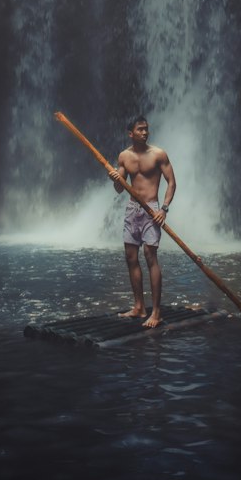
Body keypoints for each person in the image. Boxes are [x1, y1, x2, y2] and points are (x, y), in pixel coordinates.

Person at [108, 115, 176, 328]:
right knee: (130, 257)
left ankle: (156, 312)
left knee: (150, 256)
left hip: (152, 209)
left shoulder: (158, 154)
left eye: (146, 129)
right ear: (131, 133)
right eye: (140, 129)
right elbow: (120, 189)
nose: (145, 132)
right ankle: (139, 307)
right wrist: (115, 180)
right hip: (132, 210)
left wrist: (164, 209)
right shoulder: (124, 156)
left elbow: (172, 182)